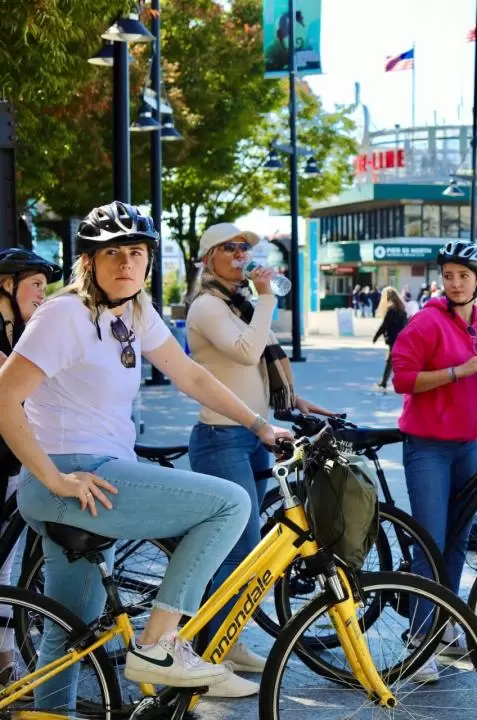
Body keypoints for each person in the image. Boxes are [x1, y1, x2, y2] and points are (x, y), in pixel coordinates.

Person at [0, 202, 292, 708]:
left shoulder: (134, 312)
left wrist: (260, 425)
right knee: (229, 504)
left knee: (72, 634)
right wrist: (53, 478)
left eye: (135, 253)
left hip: (97, 484)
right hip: (74, 477)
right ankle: (159, 644)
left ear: (149, 261)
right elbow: (4, 397)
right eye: (110, 253)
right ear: (88, 261)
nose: (125, 264)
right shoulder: (63, 314)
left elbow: (192, 376)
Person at [184, 222, 335, 697]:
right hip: (220, 438)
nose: (241, 254)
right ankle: (206, 660)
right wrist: (267, 295)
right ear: (209, 257)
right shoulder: (208, 305)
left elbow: (254, 370)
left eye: (245, 247)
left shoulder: (236, 303)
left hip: (251, 437)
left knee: (248, 553)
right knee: (236, 548)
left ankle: (231, 644)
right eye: (230, 248)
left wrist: (295, 400)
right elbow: (248, 350)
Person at [391, 240, 477, 677]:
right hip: (427, 447)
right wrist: (458, 371)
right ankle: (417, 639)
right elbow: (403, 379)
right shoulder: (426, 322)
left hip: (468, 447)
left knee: (457, 541)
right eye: (448, 275)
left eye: (463, 276)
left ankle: (444, 625)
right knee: (429, 541)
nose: (454, 283)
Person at [0, 248, 61, 683]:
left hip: (13, 457)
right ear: (7, 283)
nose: (42, 293)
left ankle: (4, 660)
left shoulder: (21, 331)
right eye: (35, 284)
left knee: (7, 562)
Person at [373, 286, 408, 390]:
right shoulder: (401, 308)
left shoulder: (391, 309)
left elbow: (385, 325)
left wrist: (376, 336)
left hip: (394, 339)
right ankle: (388, 381)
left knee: (391, 361)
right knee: (394, 360)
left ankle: (385, 382)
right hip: (401, 338)